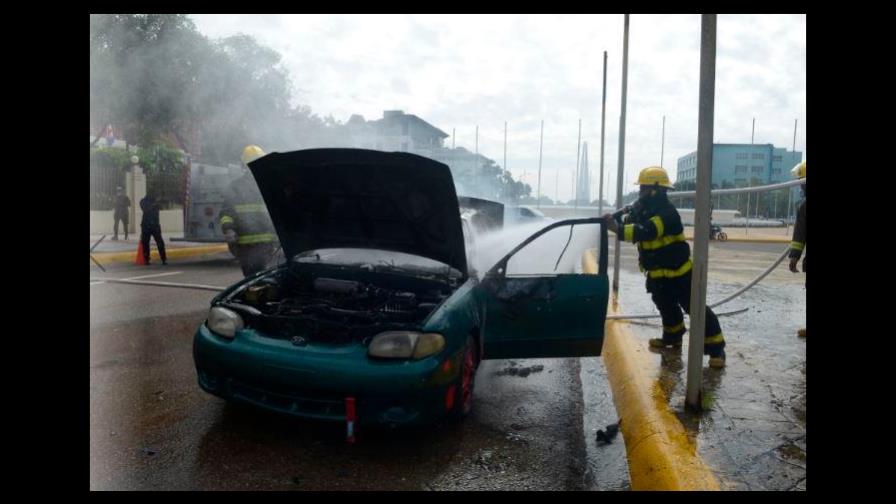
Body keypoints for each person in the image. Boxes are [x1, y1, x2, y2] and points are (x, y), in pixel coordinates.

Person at [603, 166, 726, 368]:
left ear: (656, 190)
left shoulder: (668, 214)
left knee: (695, 309)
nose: (640, 192)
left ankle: (716, 349)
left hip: (680, 272)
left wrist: (616, 228)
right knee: (666, 307)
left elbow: (647, 231)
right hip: (658, 273)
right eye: (640, 188)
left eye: (644, 188)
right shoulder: (644, 210)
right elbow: (631, 224)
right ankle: (672, 338)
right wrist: (617, 218)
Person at [220, 145, 278, 276]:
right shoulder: (237, 187)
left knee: (261, 282)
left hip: (264, 246)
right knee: (257, 282)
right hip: (250, 247)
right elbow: (226, 213)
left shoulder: (269, 185)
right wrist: (229, 229)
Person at [788, 161, 806, 338]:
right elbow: (800, 236)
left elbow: (800, 234)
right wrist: (794, 255)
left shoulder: (804, 207)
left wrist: (794, 258)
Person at [140, 192, 167, 265]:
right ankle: (146, 259)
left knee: (160, 242)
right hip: (146, 225)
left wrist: (158, 202)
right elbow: (145, 209)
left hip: (155, 225)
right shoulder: (143, 201)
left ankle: (163, 259)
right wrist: (155, 203)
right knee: (145, 243)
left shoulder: (156, 203)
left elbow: (162, 207)